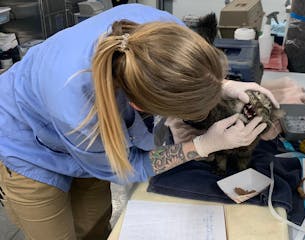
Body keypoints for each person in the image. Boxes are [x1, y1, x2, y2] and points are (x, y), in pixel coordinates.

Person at [0, 4, 284, 240]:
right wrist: (202, 145)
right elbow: (130, 166)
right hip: (27, 144)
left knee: (94, 226)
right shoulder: (78, 108)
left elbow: (184, 69)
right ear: (138, 107)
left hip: (84, 136)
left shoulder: (162, 27)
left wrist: (223, 85)